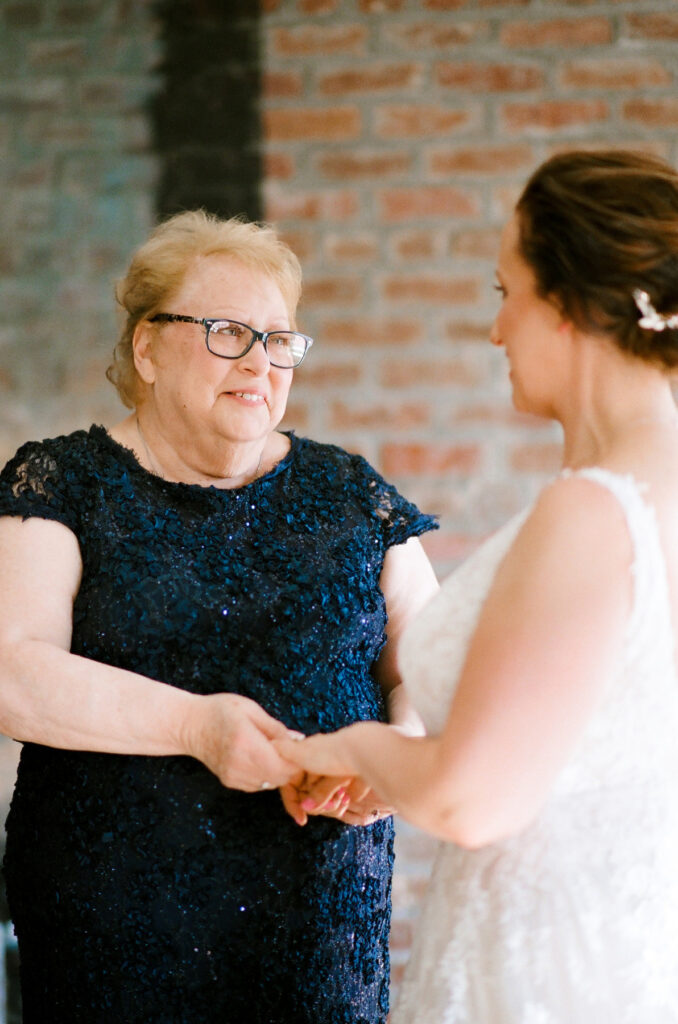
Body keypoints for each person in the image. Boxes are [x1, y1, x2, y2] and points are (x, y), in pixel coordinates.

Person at [0, 210, 439, 1023]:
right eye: (229, 332)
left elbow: (438, 663)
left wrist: (396, 756)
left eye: (280, 340)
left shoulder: (352, 494)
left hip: (318, 916)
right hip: (113, 919)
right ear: (145, 349)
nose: (261, 361)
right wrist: (199, 728)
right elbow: (14, 673)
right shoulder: (60, 482)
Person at [278, 149, 678, 1022]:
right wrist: (410, 771)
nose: (497, 330)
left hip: (546, 966)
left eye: (507, 292)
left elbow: (471, 799)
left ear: (567, 302)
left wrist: (347, 748)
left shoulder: (594, 512)